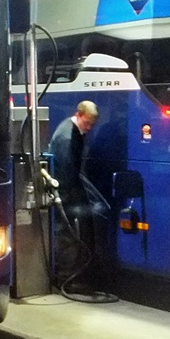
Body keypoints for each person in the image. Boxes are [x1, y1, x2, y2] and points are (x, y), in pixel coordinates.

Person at [47, 100, 106, 286]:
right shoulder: (67, 138)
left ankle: (69, 278)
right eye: (87, 123)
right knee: (66, 238)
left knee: (68, 237)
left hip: (67, 194)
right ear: (78, 114)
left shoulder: (72, 130)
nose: (88, 128)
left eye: (92, 124)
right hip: (65, 196)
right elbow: (66, 174)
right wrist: (72, 203)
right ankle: (67, 280)